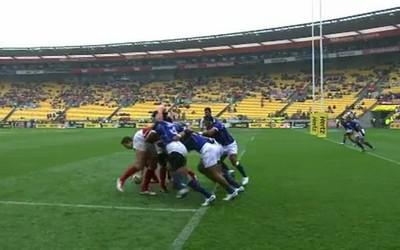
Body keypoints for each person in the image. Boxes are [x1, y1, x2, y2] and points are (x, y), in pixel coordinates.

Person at [149, 107, 215, 206]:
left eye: (153, 117)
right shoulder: (173, 125)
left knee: (182, 174)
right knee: (170, 168)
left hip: (175, 150)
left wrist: (150, 139)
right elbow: (188, 130)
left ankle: (204, 194)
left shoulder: (158, 125)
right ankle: (182, 186)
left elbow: (150, 138)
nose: (152, 119)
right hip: (181, 148)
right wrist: (180, 136)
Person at [202, 116, 249, 185]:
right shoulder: (208, 127)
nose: (204, 123)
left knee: (233, 160)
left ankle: (245, 177)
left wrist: (201, 133)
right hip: (221, 146)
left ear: (209, 121)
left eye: (204, 121)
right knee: (218, 161)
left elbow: (210, 133)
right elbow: (208, 136)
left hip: (230, 144)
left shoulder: (217, 124)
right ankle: (228, 172)